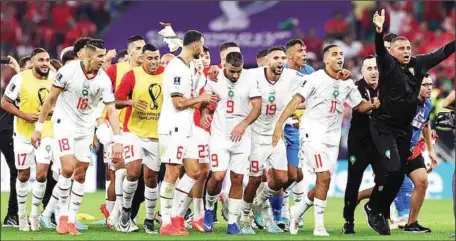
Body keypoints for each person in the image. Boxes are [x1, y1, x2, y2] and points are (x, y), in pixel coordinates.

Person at [272, 44, 379, 236]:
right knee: (324, 177)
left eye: (341, 54)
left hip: (332, 137)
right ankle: (319, 227)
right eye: (335, 54)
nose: (339, 57)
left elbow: (359, 107)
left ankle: (296, 212)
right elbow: (296, 101)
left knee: (324, 182)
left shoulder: (347, 83)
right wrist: (280, 124)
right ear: (326, 59)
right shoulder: (314, 79)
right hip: (312, 133)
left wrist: (374, 104)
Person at [365, 9, 455, 235]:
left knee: (408, 176)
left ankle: (398, 216)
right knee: (394, 171)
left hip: (404, 131)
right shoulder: (386, 64)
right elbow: (379, 50)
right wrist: (379, 31)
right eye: (401, 48)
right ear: (392, 52)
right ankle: (375, 208)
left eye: (408, 48)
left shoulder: (418, 64)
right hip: (383, 127)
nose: (406, 51)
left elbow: (442, 52)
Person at [31, 39, 124, 236]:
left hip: (85, 130)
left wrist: (118, 140)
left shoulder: (104, 81)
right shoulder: (68, 71)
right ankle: (62, 216)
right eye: (99, 55)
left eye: (103, 55)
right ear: (88, 56)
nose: (102, 59)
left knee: (80, 174)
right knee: (67, 169)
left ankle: (71, 220)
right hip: (63, 126)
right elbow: (50, 100)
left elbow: (112, 111)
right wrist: (38, 128)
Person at [240, 46, 306, 234]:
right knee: (254, 180)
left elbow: (313, 83)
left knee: (283, 178)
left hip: (275, 136)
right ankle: (245, 218)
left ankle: (258, 204)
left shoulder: (291, 76)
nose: (280, 61)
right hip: (254, 137)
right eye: (275, 57)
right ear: (267, 61)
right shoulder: (252, 75)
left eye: (283, 58)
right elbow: (230, 75)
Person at [157, 30, 215, 236]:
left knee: (194, 171)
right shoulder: (176, 69)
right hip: (173, 127)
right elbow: (178, 102)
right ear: (196, 46)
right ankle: (166, 223)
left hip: (187, 127)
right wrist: (202, 99)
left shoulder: (189, 66)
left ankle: (176, 215)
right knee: (172, 173)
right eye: (203, 44)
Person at [203, 51, 261, 234]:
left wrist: (243, 124)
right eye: (231, 71)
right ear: (224, 67)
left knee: (238, 179)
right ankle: (210, 208)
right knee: (218, 176)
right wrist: (205, 113)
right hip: (219, 135)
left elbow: (257, 107)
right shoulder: (214, 76)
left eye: (238, 71)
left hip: (242, 137)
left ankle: (233, 223)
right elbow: (205, 100)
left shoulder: (250, 78)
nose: (235, 75)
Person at [1, 48, 56, 232]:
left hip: (47, 132)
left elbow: (61, 100)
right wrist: (23, 115)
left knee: (41, 174)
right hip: (23, 135)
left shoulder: (54, 78)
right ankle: (22, 216)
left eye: (47, 60)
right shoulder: (20, 78)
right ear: (32, 62)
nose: (45, 63)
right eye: (41, 60)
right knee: (23, 175)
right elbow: (5, 102)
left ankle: (34, 216)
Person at [114, 43, 164, 233]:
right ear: (142, 58)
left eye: (156, 58)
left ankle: (149, 220)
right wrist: (130, 102)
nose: (153, 61)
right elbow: (115, 101)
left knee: (151, 179)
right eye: (149, 58)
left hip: (157, 135)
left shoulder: (166, 74)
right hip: (133, 132)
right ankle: (126, 212)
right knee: (133, 172)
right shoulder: (132, 75)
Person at [104, 35, 146, 224]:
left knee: (139, 176)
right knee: (120, 170)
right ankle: (115, 213)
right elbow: (100, 90)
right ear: (129, 52)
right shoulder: (116, 69)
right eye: (137, 48)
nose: (141, 52)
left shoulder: (150, 71)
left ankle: (127, 214)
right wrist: (100, 119)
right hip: (119, 129)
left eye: (143, 48)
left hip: (145, 130)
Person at [342, 55, 381, 234]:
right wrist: (375, 104)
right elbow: (359, 107)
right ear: (362, 71)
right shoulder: (355, 87)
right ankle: (348, 221)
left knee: (388, 179)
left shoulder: (387, 87)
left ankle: (374, 209)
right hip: (358, 142)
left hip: (380, 142)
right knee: (353, 181)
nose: (373, 72)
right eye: (369, 69)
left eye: (376, 68)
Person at [0, 55, 31, 228]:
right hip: (8, 130)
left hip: (12, 130)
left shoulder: (32, 81)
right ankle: (12, 215)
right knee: (17, 171)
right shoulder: (19, 82)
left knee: (19, 171)